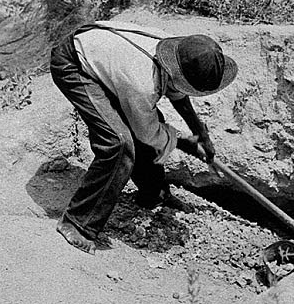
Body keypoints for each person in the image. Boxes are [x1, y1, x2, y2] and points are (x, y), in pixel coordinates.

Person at [49, 20, 238, 254]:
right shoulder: (142, 83)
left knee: (145, 126)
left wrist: (200, 132)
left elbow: (178, 94)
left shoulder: (178, 54)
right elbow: (148, 133)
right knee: (118, 143)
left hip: (109, 62)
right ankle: (77, 223)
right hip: (74, 63)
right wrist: (186, 143)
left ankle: (154, 195)